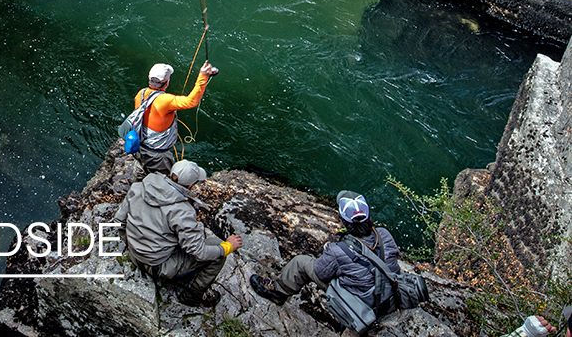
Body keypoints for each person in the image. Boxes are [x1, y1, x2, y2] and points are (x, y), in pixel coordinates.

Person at [114, 158, 243, 307]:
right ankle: (192, 295)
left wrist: (130, 244)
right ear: (190, 185)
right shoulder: (182, 211)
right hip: (158, 267)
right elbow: (199, 252)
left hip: (135, 255)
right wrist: (228, 247)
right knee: (217, 249)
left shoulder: (139, 186)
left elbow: (119, 221)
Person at [250, 190, 400, 309]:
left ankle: (278, 291)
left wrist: (331, 250)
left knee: (301, 262)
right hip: (389, 295)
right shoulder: (384, 234)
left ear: (343, 220)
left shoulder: (338, 250)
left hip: (363, 303)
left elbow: (321, 273)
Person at [132, 61, 217, 173]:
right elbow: (191, 102)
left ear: (149, 78)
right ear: (167, 83)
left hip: (140, 147)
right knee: (161, 179)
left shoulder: (141, 94)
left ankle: (137, 186)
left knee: (140, 173)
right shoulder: (166, 101)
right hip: (157, 155)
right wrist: (203, 76)